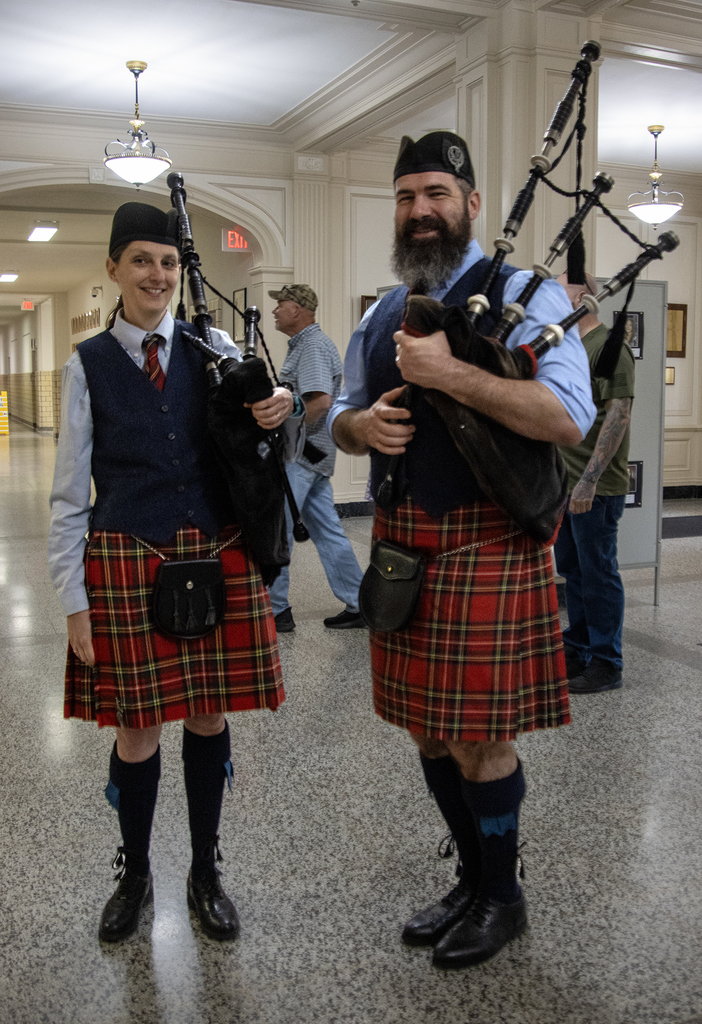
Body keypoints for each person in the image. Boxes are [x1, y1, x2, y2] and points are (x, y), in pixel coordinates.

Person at [329, 132, 596, 969]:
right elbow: (336, 412)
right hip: (406, 547)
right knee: (427, 731)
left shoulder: (526, 293)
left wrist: (452, 375)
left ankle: (503, 896)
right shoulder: (379, 311)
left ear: (471, 205)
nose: (421, 212)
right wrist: (358, 427)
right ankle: (473, 876)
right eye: (407, 197)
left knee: (481, 737)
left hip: (486, 544)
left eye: (437, 194)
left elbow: (566, 418)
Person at [48, 202, 297, 944]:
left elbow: (275, 445)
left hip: (216, 555)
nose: (156, 275)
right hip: (125, 558)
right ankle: (135, 873)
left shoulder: (214, 347)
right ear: (114, 269)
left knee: (210, 715)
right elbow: (68, 496)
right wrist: (72, 603)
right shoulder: (85, 366)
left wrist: (281, 415)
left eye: (166, 261)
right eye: (141, 261)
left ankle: (205, 869)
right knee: (136, 728)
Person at [266, 284, 365, 633]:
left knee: (280, 528)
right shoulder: (306, 345)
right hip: (311, 453)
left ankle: (276, 609)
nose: (275, 310)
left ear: (299, 309)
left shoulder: (311, 346)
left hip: (303, 454)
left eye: (281, 304)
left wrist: (286, 432)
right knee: (327, 530)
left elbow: (320, 402)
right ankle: (360, 602)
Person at [554, 272, 634, 694]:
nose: (552, 292)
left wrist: (588, 481)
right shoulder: (572, 348)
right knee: (574, 570)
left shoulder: (609, 347)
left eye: (560, 286)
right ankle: (580, 648)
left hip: (595, 487)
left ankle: (607, 661)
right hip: (565, 483)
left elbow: (618, 416)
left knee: (599, 572)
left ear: (582, 295)